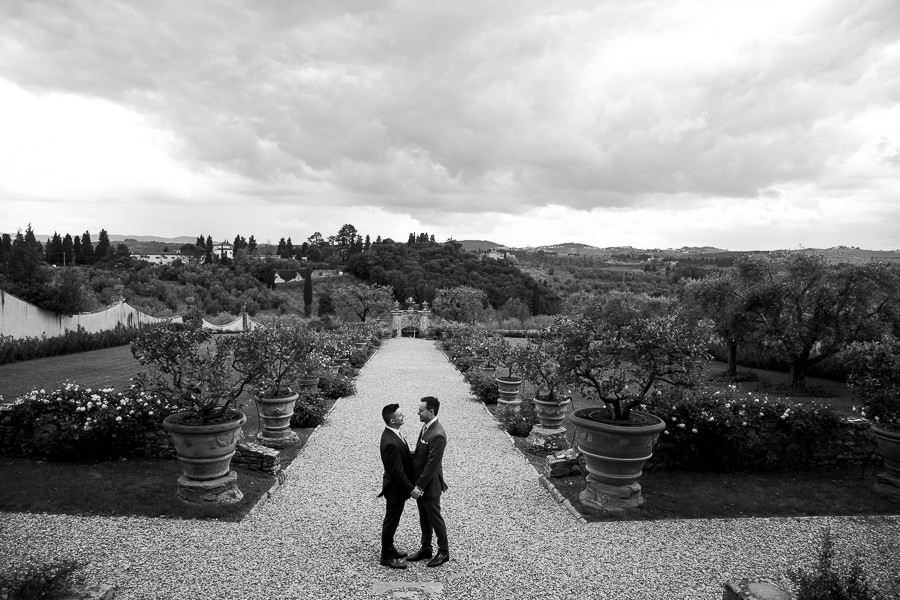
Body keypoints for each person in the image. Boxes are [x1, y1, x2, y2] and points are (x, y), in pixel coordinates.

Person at [407, 396, 450, 567]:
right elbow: (420, 455)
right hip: (422, 483)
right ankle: (426, 548)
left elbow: (431, 465)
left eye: (421, 410)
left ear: (431, 411)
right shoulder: (426, 428)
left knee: (434, 518)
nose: (418, 412)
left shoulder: (438, 434)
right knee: (424, 517)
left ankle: (444, 551)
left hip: (429, 486)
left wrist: (418, 486)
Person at [378, 403, 415, 569]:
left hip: (397, 488)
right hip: (394, 489)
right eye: (400, 415)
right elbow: (397, 472)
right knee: (391, 520)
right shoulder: (390, 442)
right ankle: (386, 555)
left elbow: (403, 457)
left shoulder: (394, 434)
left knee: (393, 519)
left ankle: (390, 547)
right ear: (392, 420)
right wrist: (411, 489)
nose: (403, 416)